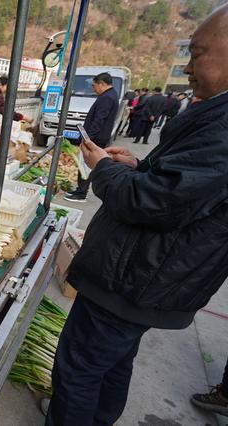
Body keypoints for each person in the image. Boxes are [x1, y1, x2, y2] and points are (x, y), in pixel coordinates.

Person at [45, 4, 228, 425]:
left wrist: (104, 169)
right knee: (112, 363)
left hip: (135, 278)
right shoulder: (213, 117)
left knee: (78, 370)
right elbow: (184, 190)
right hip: (147, 280)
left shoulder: (222, 128)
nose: (188, 67)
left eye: (197, 53)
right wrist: (138, 167)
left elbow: (156, 202)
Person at [63, 72, 119, 202]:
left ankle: (81, 193)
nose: (93, 89)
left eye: (94, 86)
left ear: (102, 84)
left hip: (96, 138)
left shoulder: (107, 98)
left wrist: (87, 138)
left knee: (86, 165)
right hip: (98, 137)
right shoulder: (110, 95)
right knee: (86, 164)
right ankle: (80, 189)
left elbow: (99, 121)